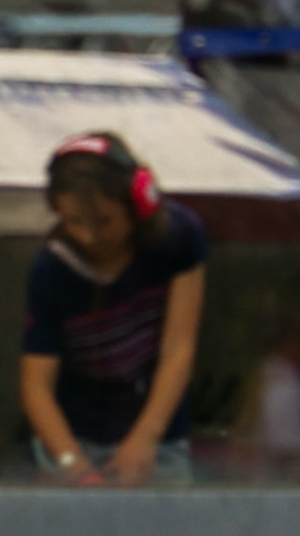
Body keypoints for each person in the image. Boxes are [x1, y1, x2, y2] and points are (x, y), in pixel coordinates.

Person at [20, 133, 207, 486]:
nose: (90, 237)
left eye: (104, 221)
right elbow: (37, 387)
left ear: (138, 202)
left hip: (159, 430)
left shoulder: (178, 237)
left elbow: (179, 348)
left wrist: (146, 438)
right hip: (74, 435)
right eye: (74, 221)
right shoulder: (52, 270)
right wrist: (75, 466)